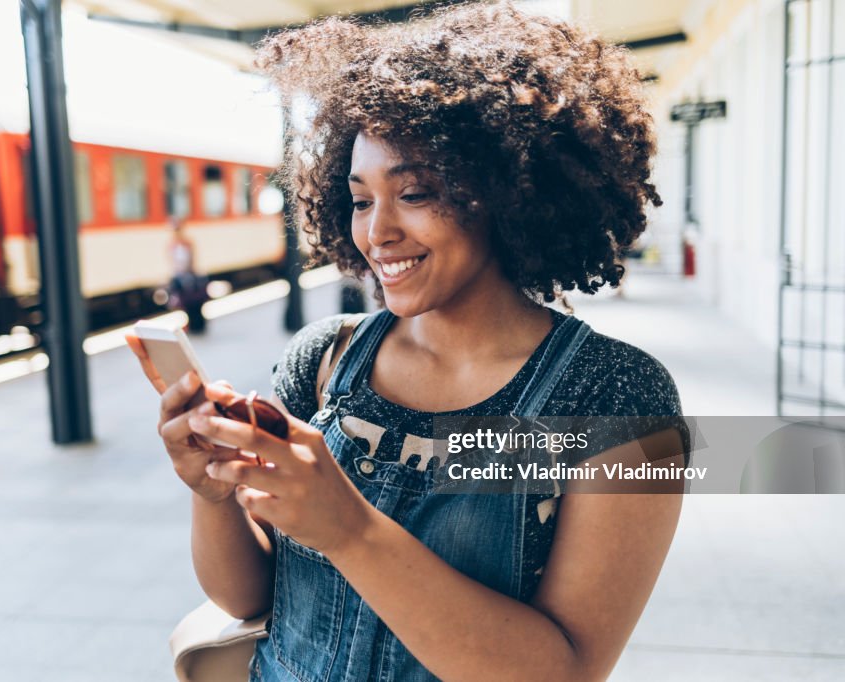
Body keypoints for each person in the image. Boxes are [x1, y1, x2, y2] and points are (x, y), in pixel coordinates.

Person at [128, 3, 690, 680]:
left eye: (416, 192)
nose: (377, 233)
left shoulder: (620, 399)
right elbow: (246, 595)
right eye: (361, 199)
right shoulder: (323, 361)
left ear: (509, 191)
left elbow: (566, 671)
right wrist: (213, 491)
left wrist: (349, 530)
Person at [167, 218, 208, 333]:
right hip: (180, 276)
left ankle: (198, 325)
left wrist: (188, 273)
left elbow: (192, 260)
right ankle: (192, 325)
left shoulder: (187, 243)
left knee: (194, 302)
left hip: (189, 276)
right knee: (186, 304)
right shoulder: (172, 245)